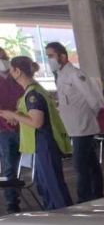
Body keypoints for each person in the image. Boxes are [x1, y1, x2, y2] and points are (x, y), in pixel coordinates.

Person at [0, 57, 73, 210]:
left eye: (12, 71)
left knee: (54, 187)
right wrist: (17, 116)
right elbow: (29, 116)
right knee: (44, 185)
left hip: (45, 144)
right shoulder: (30, 91)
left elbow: (37, 122)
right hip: (39, 145)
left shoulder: (33, 94)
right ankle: (55, 217)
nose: (10, 75)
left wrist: (13, 115)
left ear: (17, 71)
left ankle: (67, 219)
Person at [45, 41, 104, 203]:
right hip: (73, 127)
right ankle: (98, 194)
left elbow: (94, 99)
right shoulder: (61, 75)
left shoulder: (75, 74)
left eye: (51, 56)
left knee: (79, 165)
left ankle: (84, 199)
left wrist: (87, 117)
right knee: (90, 163)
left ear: (62, 56)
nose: (49, 59)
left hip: (83, 127)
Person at [0, 47, 23, 214]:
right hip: (4, 129)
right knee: (9, 166)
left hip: (23, 125)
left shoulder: (15, 77)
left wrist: (18, 116)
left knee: (32, 163)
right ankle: (12, 202)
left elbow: (24, 97)